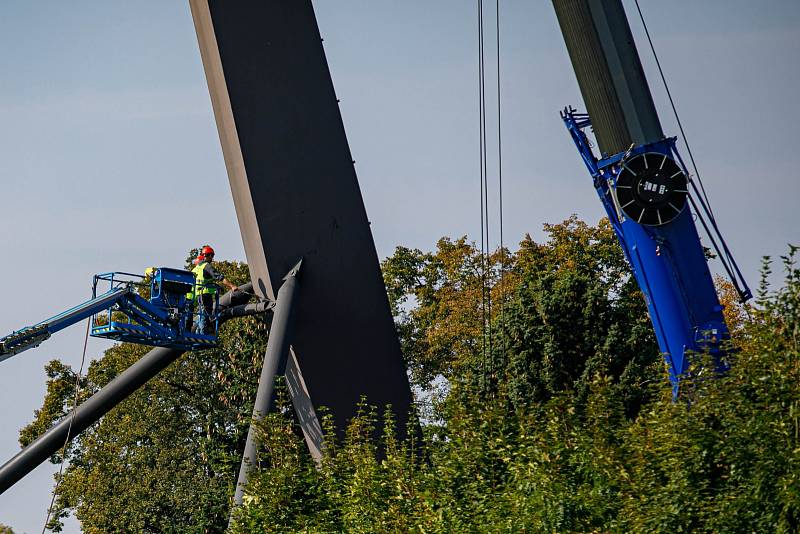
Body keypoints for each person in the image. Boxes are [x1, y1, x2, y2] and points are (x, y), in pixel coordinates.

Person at [191, 245, 237, 334]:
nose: (212, 258)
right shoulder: (207, 266)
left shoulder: (196, 268)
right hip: (205, 294)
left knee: (202, 313)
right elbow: (219, 277)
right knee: (206, 313)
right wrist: (232, 286)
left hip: (197, 295)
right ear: (206, 256)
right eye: (210, 255)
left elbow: (202, 280)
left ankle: (199, 331)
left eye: (212, 256)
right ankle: (202, 333)